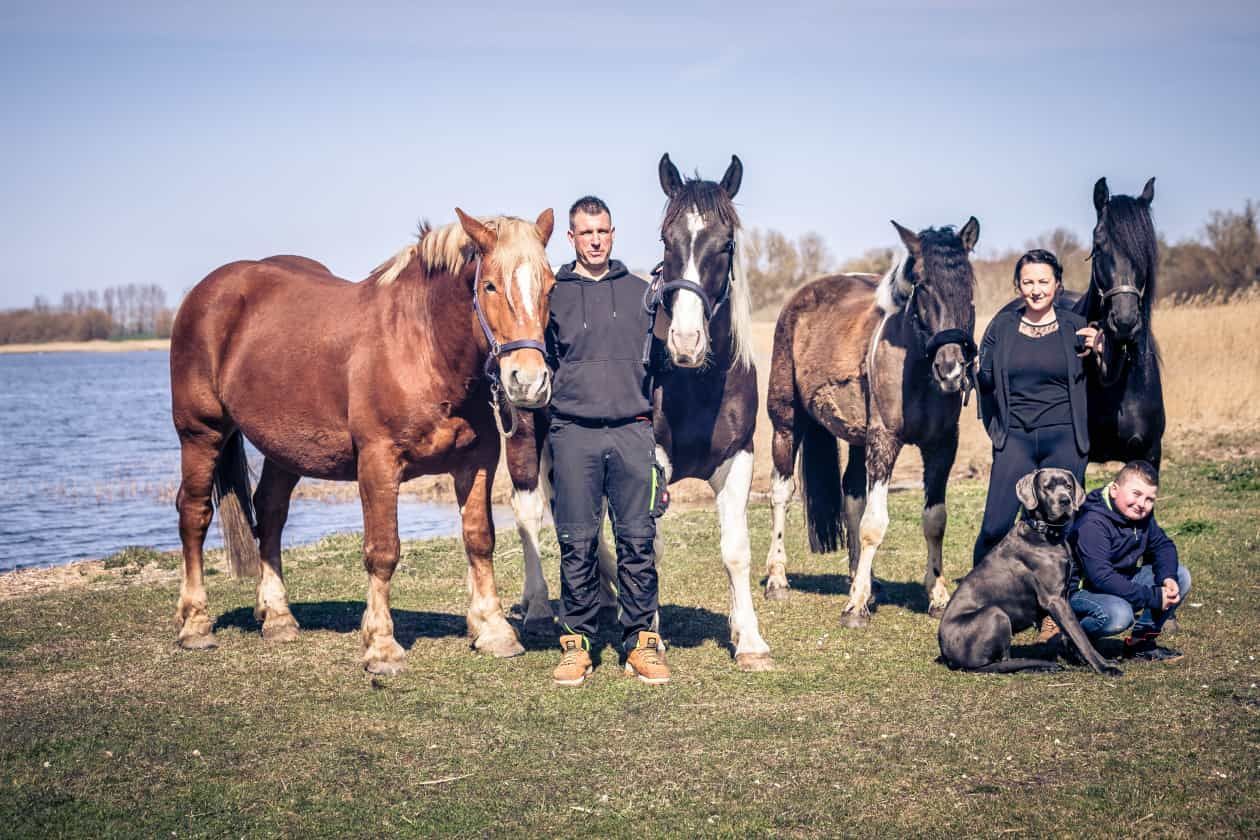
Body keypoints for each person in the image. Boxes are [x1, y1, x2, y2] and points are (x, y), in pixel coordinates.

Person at [546, 195, 669, 687]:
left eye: (603, 231)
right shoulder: (551, 295)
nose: (595, 240)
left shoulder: (642, 293)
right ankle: (577, 644)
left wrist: (656, 438)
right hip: (572, 432)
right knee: (576, 542)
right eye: (585, 232)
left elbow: (664, 369)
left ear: (612, 234)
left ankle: (641, 642)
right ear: (571, 238)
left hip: (632, 430)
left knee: (638, 541)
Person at [974, 249, 1103, 568]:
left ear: (1057, 284)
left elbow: (1106, 381)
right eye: (1028, 282)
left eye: (1044, 281)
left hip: (1064, 437)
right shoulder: (1001, 327)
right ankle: (977, 598)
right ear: (1017, 285)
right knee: (994, 526)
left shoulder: (1077, 327)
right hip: (1015, 437)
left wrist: (1102, 350)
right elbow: (986, 381)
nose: (1036, 289)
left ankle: (1053, 608)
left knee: (1061, 527)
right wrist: (975, 368)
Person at [1067, 460, 1190, 662]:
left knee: (1181, 576)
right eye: (1136, 494)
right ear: (1115, 490)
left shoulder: (1139, 514)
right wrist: (1153, 597)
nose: (1142, 504)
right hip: (1083, 591)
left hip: (1120, 580)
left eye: (1150, 499)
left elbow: (1162, 545)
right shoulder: (1092, 522)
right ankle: (1075, 641)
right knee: (1119, 615)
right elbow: (1101, 577)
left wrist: (1167, 578)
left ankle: (1140, 644)